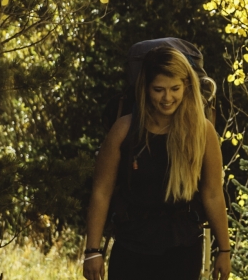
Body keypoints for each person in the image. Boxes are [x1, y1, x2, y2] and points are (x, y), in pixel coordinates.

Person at [83, 47, 231, 280]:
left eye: (175, 89)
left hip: (183, 250)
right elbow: (102, 191)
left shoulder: (202, 132)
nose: (167, 98)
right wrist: (92, 251)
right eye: (158, 90)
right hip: (131, 248)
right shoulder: (123, 130)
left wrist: (224, 250)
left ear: (186, 86)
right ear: (145, 88)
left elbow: (212, 193)